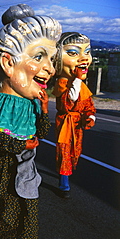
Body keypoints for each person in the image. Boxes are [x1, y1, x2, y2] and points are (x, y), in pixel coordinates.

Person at [0, 4, 62, 239]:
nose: (50, 69)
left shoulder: (32, 101)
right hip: (2, 170)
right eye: (39, 57)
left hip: (26, 171)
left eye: (51, 59)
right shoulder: (3, 101)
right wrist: (24, 144)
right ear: (8, 64)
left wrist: (43, 111)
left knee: (27, 216)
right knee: (1, 221)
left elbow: (41, 132)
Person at [52, 32, 96, 199]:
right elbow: (68, 102)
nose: (83, 58)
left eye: (87, 52)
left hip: (77, 125)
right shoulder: (62, 83)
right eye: (73, 53)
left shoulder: (82, 85)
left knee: (74, 152)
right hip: (65, 123)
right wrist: (77, 80)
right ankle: (64, 184)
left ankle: (66, 175)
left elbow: (88, 105)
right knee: (64, 152)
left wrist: (90, 117)